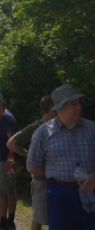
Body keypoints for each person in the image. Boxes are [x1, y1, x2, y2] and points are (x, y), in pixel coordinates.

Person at [27, 84, 95, 230]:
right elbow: (31, 166)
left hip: (90, 193)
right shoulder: (43, 133)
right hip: (59, 194)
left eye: (79, 103)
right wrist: (54, 174)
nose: (79, 107)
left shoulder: (92, 129)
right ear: (60, 108)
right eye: (73, 104)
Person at [7, 95, 55, 230]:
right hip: (41, 180)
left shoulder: (57, 126)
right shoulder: (36, 127)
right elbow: (11, 143)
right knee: (38, 218)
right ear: (51, 108)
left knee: (56, 217)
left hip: (56, 179)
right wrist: (29, 155)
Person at [0, 94, 18, 230]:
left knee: (1, 192)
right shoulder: (3, 118)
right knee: (9, 191)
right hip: (3, 159)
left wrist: (10, 162)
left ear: (1, 103)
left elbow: (12, 140)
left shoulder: (6, 118)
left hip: (4, 160)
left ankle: (3, 222)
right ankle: (9, 222)